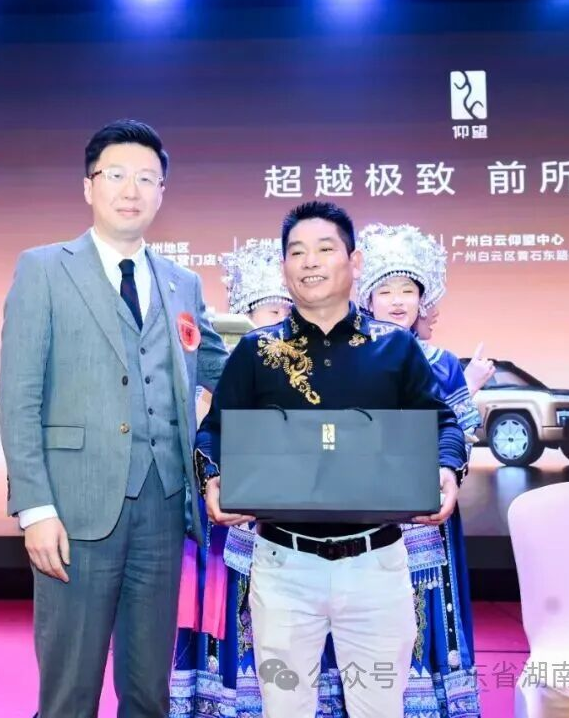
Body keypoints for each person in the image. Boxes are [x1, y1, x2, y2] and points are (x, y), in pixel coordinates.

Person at [199, 201, 467, 718]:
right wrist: (212, 476)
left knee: (379, 708)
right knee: (284, 708)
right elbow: (214, 432)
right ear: (284, 266)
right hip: (282, 565)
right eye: (297, 252)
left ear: (354, 260)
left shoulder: (395, 348)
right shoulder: (256, 352)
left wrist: (444, 469)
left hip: (377, 564)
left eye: (324, 249)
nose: (310, 262)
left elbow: (443, 424)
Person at [0, 119, 229, 718]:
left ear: (162, 193)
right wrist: (35, 509)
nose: (132, 190)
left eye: (147, 179)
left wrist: (303, 361)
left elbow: (222, 370)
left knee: (149, 691)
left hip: (163, 507)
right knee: (70, 693)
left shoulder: (181, 283)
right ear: (88, 186)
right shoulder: (44, 270)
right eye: (117, 175)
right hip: (73, 511)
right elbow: (18, 397)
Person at [171, 239, 347, 717]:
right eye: (269, 311)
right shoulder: (233, 367)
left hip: (297, 521)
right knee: (233, 611)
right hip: (231, 516)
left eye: (284, 311)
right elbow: (209, 435)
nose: (278, 320)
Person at [357, 223, 483, 718]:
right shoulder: (346, 359)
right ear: (367, 297)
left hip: (426, 513)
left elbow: (461, 435)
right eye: (385, 290)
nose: (396, 301)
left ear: (422, 299)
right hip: (360, 511)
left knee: (426, 610)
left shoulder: (442, 362)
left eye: (407, 290)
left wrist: (449, 470)